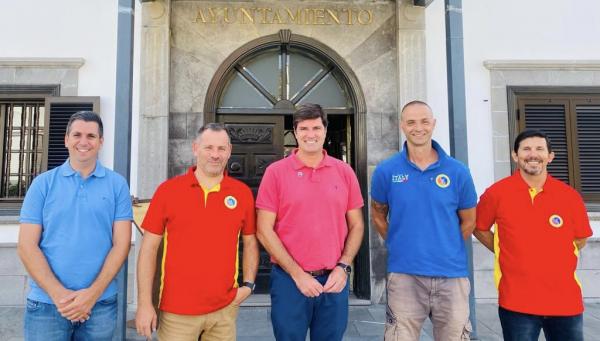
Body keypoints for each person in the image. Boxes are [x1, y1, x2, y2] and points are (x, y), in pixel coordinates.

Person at [135, 123, 259, 341]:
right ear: (195, 148)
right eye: (208, 148)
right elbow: (148, 250)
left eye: (221, 149)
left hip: (224, 311)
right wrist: (145, 305)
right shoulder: (168, 191)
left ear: (229, 151)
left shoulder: (242, 194)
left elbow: (250, 242)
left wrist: (248, 285)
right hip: (176, 313)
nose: (215, 155)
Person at [18, 111, 133, 341]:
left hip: (99, 304)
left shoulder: (117, 185)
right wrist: (60, 295)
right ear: (66, 139)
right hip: (46, 305)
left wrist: (92, 295)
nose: (83, 141)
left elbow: (122, 245)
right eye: (77, 134)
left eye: (91, 136)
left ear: (101, 142)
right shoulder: (42, 184)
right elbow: (26, 246)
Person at [256, 103, 364, 341]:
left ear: (325, 130)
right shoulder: (276, 172)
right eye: (304, 128)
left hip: (333, 279)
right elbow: (263, 229)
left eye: (316, 127)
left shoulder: (344, 172)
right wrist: (297, 274)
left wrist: (344, 266)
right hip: (289, 280)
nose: (310, 134)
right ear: (295, 132)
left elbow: (357, 225)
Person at [370, 100, 477, 340]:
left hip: (451, 275)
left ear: (433, 124)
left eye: (424, 121)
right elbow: (378, 214)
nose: (418, 128)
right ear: (402, 126)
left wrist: (443, 244)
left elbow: (469, 221)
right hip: (404, 274)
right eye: (411, 122)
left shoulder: (457, 171)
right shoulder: (386, 172)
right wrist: (399, 241)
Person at [474, 129, 592, 341]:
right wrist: (505, 249)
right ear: (515, 155)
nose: (533, 154)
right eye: (526, 149)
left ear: (550, 156)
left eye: (539, 149)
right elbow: (479, 227)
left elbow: (580, 238)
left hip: (565, 300)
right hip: (516, 301)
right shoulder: (497, 193)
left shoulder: (569, 196)